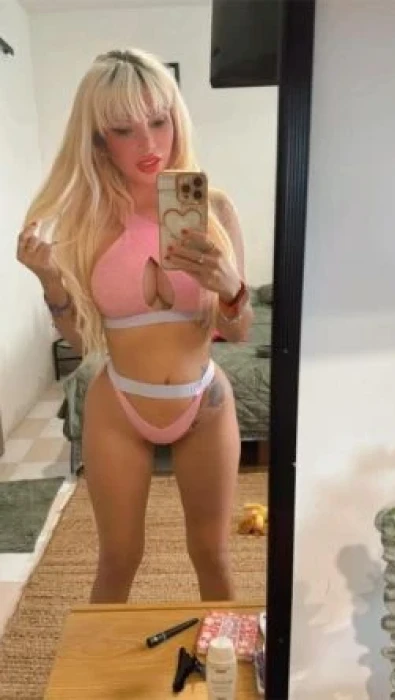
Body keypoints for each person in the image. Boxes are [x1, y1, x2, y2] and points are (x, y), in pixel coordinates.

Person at [16, 48, 254, 603]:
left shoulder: (215, 210)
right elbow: (83, 342)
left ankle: (226, 658)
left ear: (176, 118)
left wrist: (231, 286)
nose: (148, 144)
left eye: (159, 121)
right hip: (118, 406)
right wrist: (51, 282)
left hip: (204, 402)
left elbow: (240, 331)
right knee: (118, 559)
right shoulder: (88, 220)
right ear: (100, 140)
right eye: (124, 129)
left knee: (214, 556)